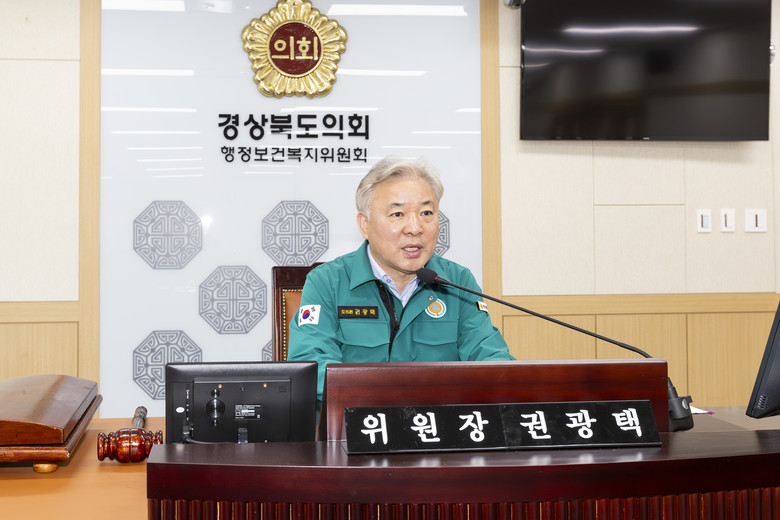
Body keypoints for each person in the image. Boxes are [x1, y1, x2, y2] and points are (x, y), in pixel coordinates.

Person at [287, 156, 514, 400]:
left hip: (438, 421)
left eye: (426, 212)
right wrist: (390, 398)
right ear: (365, 224)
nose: (415, 228)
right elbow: (312, 366)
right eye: (397, 214)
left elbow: (495, 362)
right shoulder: (327, 282)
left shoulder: (457, 282)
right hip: (358, 420)